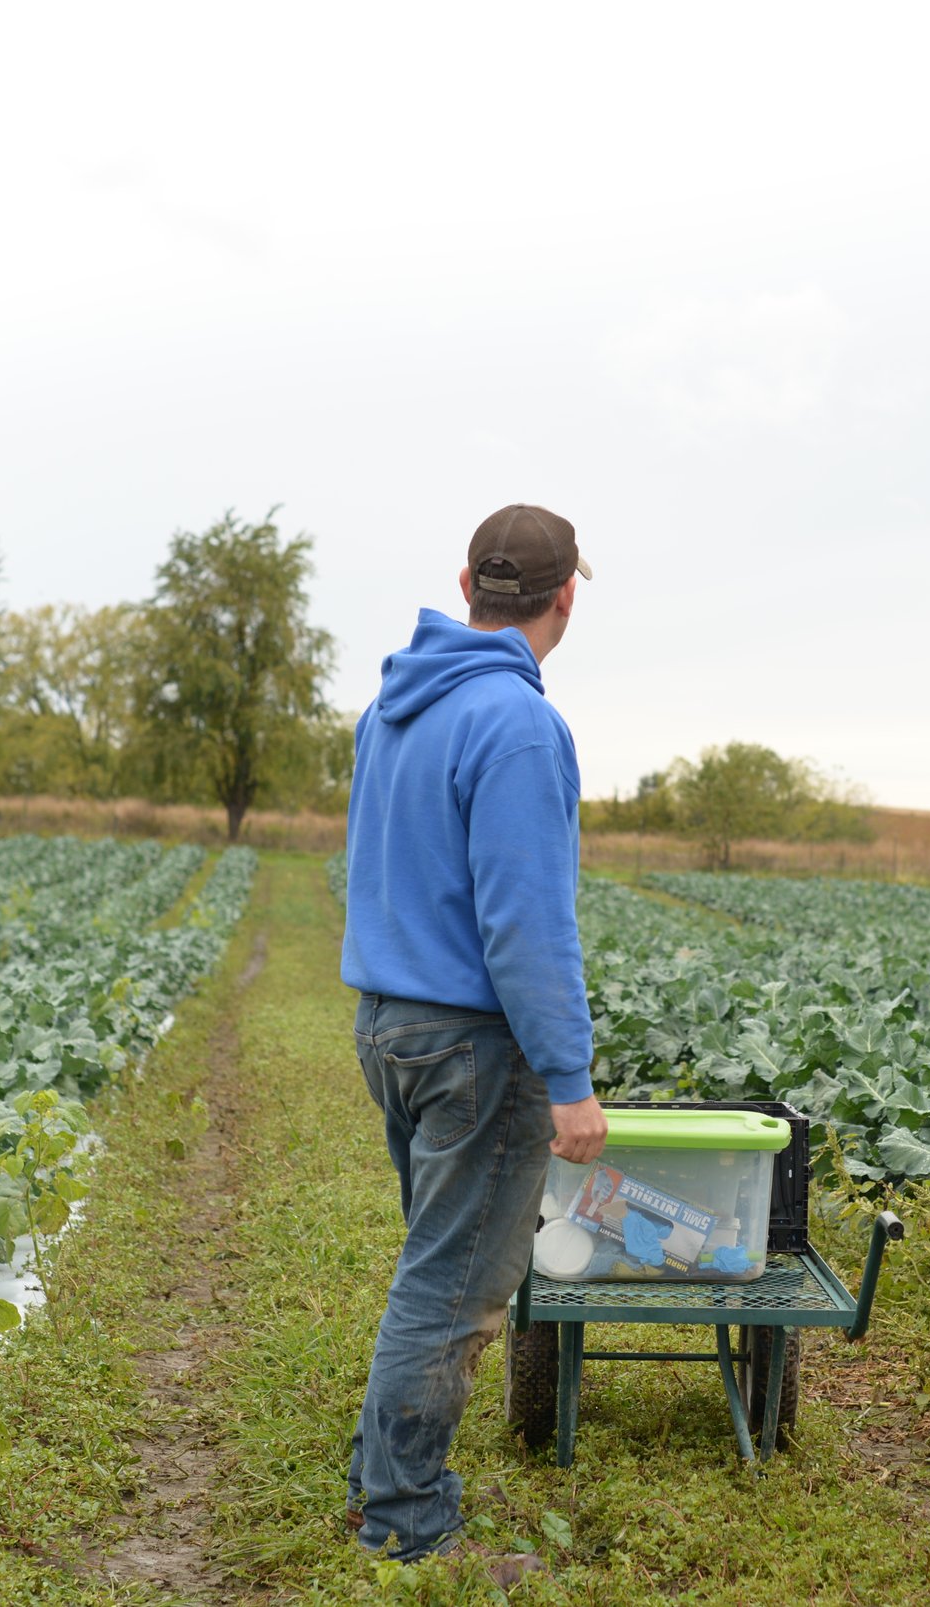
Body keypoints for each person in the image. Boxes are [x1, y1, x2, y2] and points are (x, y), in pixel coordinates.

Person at [337, 503, 610, 1574]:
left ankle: (380, 1476)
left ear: (465, 583)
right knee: (452, 1286)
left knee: (432, 1265)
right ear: (565, 598)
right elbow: (526, 920)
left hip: (389, 1028)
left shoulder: (392, 706)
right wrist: (568, 1076)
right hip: (473, 1046)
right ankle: (405, 1518)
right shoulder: (517, 723)